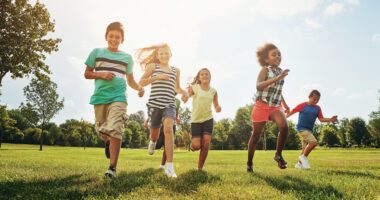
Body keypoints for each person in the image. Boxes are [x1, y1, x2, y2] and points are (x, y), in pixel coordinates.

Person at [84, 22, 144, 178]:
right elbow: (87, 74)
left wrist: (139, 88)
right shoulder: (96, 53)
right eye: (111, 36)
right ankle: (107, 141)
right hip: (100, 98)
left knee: (116, 128)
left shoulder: (126, 58)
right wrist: (101, 74)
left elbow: (130, 80)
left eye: (118, 37)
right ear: (106, 37)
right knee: (102, 130)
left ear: (122, 39)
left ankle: (112, 168)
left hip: (119, 97)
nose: (114, 39)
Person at [136, 43, 188, 177]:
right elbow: (141, 82)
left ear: (171, 54)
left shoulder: (176, 70)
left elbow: (176, 88)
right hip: (154, 105)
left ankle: (169, 167)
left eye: (166, 53)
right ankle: (152, 141)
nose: (164, 55)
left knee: (169, 129)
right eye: (161, 53)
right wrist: (157, 77)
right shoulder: (153, 67)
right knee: (155, 134)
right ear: (157, 55)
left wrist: (184, 93)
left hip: (169, 105)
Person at [247, 43, 290, 172]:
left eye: (279, 54)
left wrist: (286, 105)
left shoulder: (280, 72)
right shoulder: (265, 69)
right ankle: (249, 163)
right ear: (266, 59)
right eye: (274, 54)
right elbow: (259, 86)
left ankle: (278, 154)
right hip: (261, 105)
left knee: (284, 126)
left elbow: (277, 90)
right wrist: (277, 77)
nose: (277, 56)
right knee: (256, 136)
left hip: (275, 106)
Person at [287, 90, 338, 169]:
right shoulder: (302, 105)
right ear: (309, 97)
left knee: (304, 148)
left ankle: (299, 164)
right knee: (313, 142)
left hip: (309, 130)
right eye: (314, 99)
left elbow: (321, 119)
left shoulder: (317, 108)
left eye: (317, 100)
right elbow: (292, 112)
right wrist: (282, 118)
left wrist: (331, 119)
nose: (316, 101)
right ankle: (303, 157)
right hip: (302, 129)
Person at [188, 68, 221, 170]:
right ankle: (192, 144)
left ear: (210, 77)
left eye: (207, 74)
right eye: (202, 74)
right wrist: (185, 97)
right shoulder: (195, 87)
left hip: (208, 119)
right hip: (196, 120)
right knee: (197, 146)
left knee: (206, 142)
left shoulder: (213, 91)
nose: (204, 76)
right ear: (199, 77)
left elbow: (216, 105)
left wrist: (218, 108)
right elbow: (187, 95)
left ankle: (200, 168)